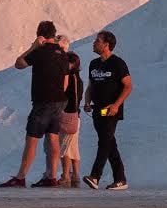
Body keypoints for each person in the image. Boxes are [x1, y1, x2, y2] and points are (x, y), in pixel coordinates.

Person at [0, 21, 67, 188]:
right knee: (53, 138)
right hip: (59, 102)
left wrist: (33, 47)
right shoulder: (63, 53)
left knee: (32, 139)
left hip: (42, 102)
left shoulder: (40, 52)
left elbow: (19, 64)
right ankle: (52, 176)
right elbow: (65, 81)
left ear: (41, 36)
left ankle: (21, 177)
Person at [83, 29, 131, 190]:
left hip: (111, 110)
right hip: (97, 110)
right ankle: (120, 179)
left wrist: (116, 105)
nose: (94, 43)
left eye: (97, 41)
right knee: (109, 143)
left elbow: (128, 86)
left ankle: (95, 176)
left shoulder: (118, 63)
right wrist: (87, 102)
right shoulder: (94, 64)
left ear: (106, 44)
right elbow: (90, 86)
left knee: (104, 141)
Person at [55, 43, 83, 188]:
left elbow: (66, 98)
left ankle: (65, 176)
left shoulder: (69, 79)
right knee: (73, 147)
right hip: (76, 117)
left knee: (64, 147)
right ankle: (76, 176)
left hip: (67, 116)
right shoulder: (79, 80)